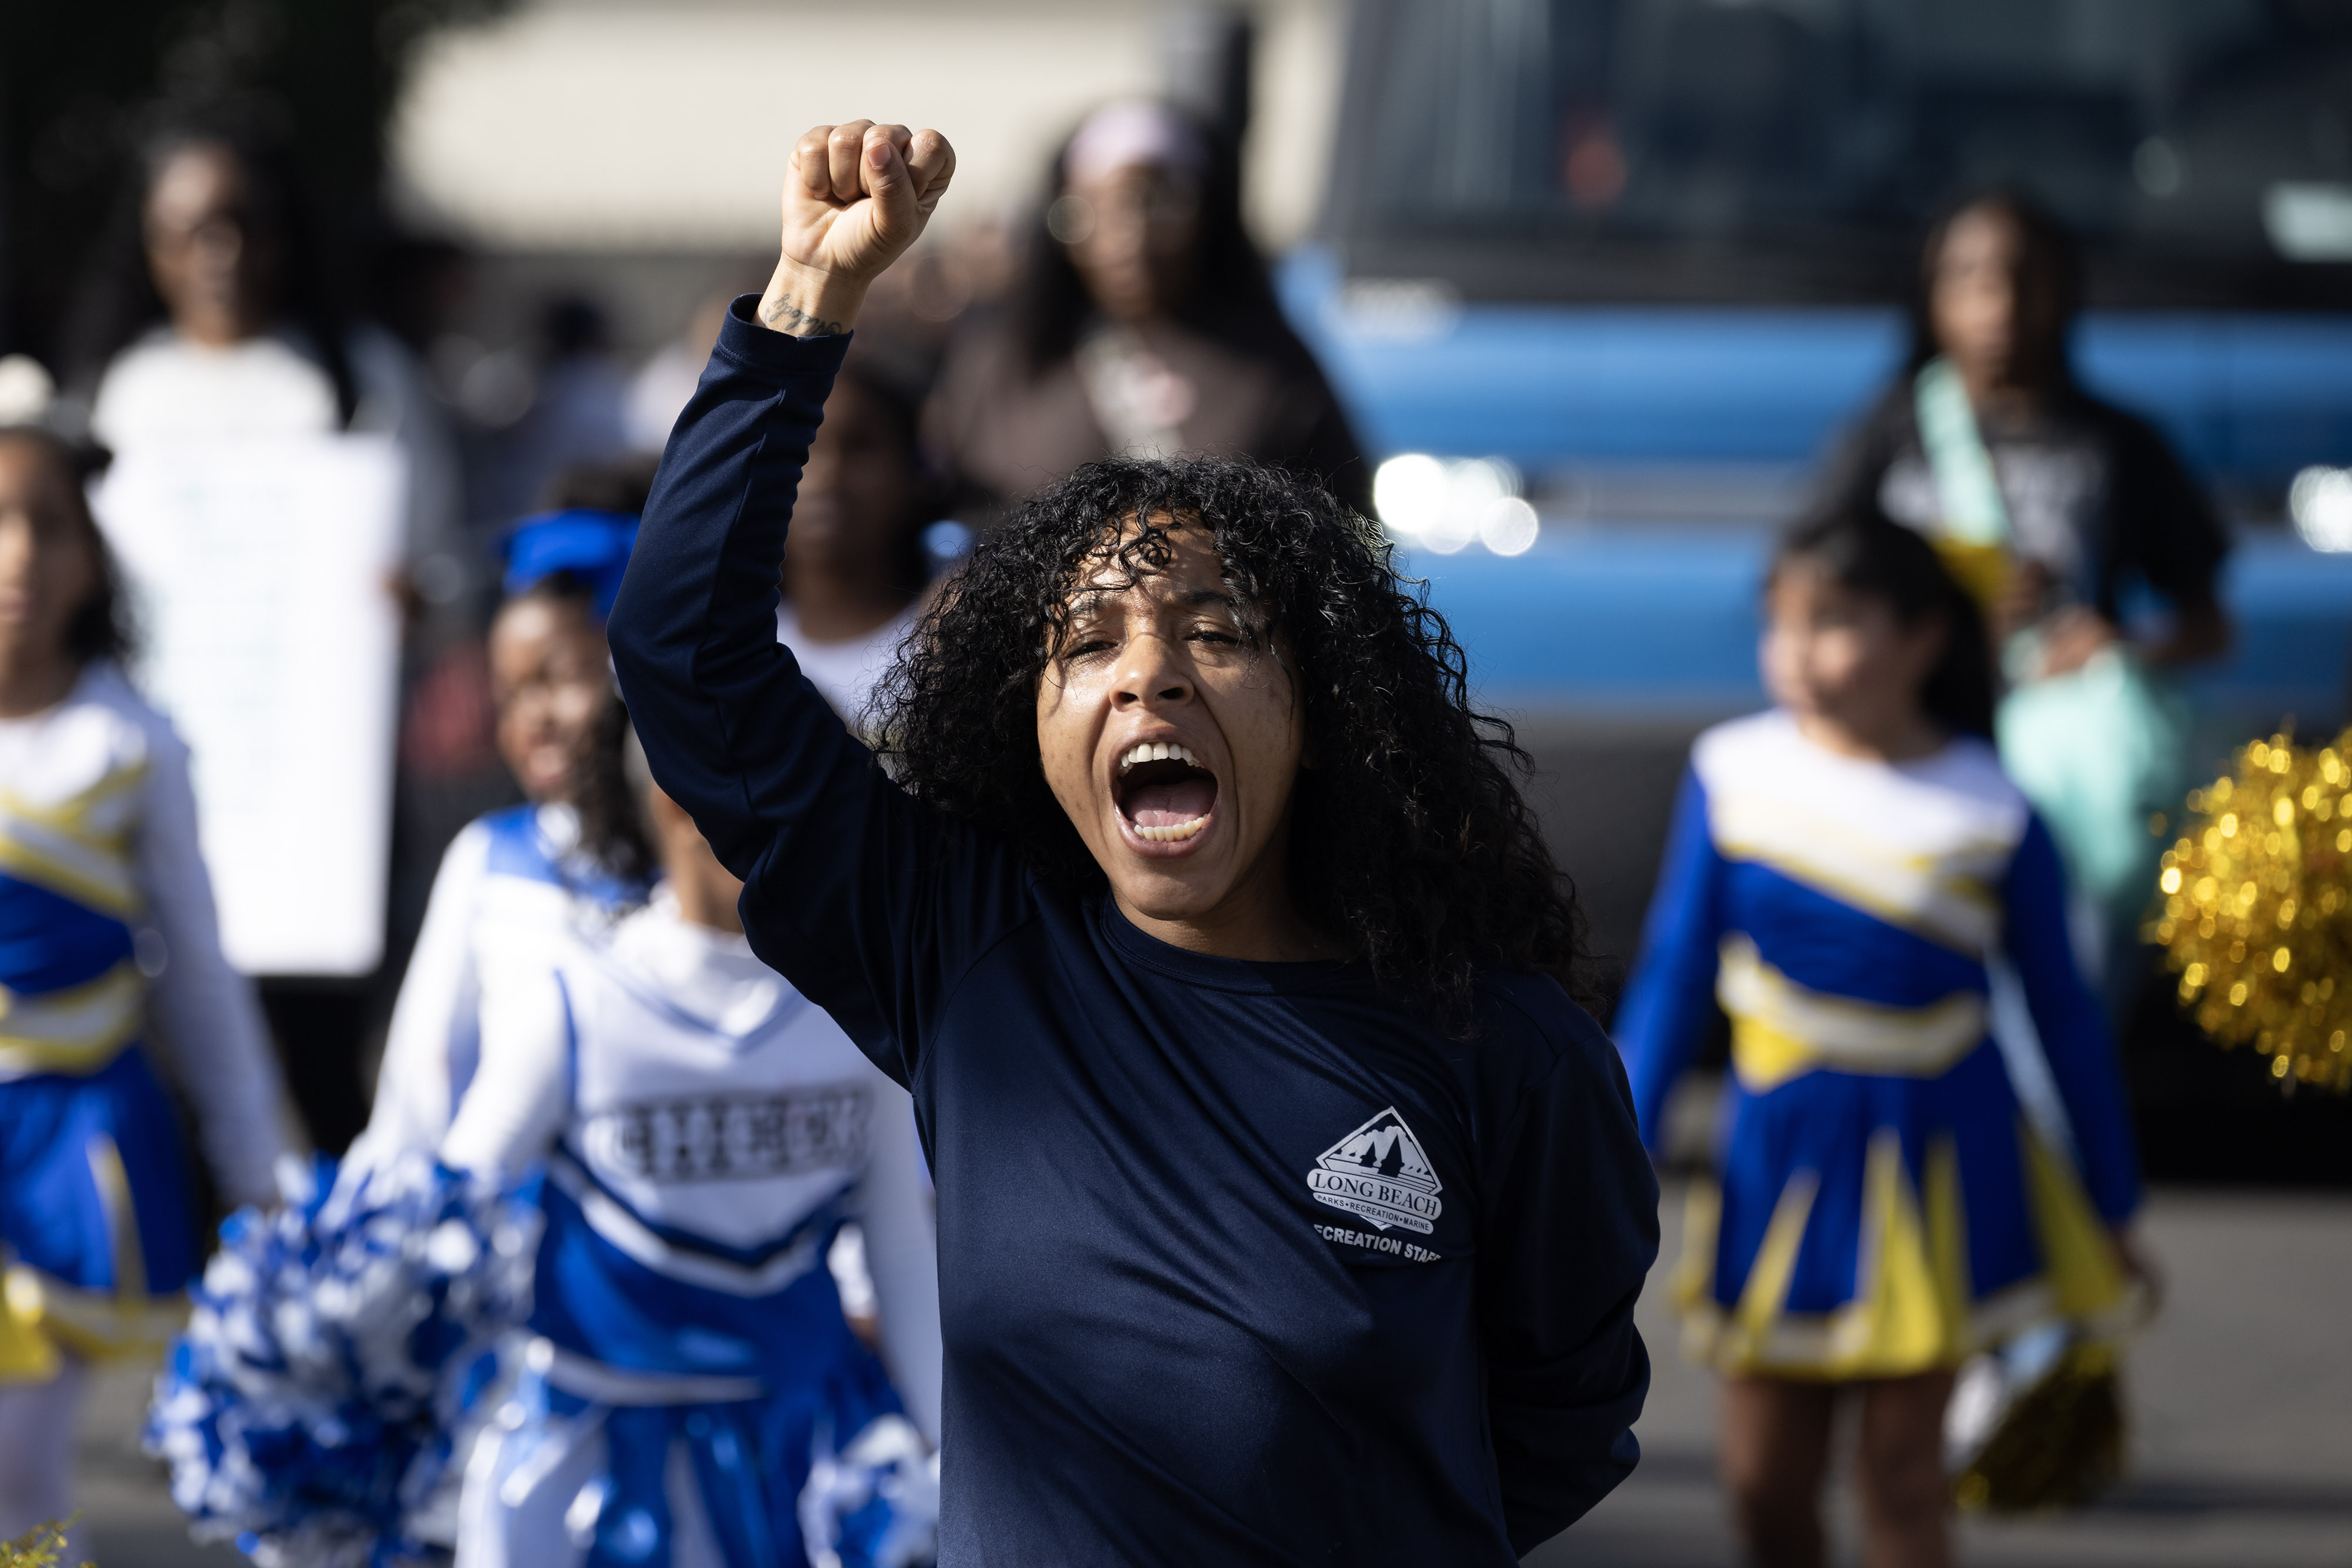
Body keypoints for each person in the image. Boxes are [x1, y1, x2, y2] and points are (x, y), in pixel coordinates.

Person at [610, 118, 1655, 1564]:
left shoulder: (1506, 1050)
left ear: (1322, 712)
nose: (1147, 676)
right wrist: (807, 301)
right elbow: (679, 649)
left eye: (1216, 632)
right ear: (1027, 725)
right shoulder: (961, 949)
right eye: (1088, 641)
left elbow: (1560, 1423)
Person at [1612, 506, 2149, 1568]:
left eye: (1834, 622)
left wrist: (2113, 1200)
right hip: (1778, 1155)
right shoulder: (1732, 772)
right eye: (1780, 624)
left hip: (1942, 1160)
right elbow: (1673, 979)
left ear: (1925, 637)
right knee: (1764, 1486)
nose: (1797, 654)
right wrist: (1615, 1152)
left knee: (1903, 1476)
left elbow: (2064, 1020)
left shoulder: (1994, 808)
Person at [69, 120, 467, 1152]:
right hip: (151, 795)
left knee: (321, 1070)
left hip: (321, 815)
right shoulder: (119, 394)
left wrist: (413, 600)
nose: (222, 254)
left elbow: (446, 568)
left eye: (246, 224)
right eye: (190, 230)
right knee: (175, 1071)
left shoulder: (356, 378)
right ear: (148, 245)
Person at [446, 741, 941, 1568]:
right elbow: (449, 1209)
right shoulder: (577, 995)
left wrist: (948, 1450)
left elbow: (900, 1249)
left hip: (802, 1465)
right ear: (680, 801)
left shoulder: (858, 1004)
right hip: (595, 1470)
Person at [1814, 190, 2232, 1007]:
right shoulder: (1890, 432)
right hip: (1917, 773)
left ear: (2064, 293)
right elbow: (1805, 585)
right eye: (1968, 276)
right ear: (1931, 297)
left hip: (2063, 791)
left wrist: (2118, 644)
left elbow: (2212, 627)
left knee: (2058, 1005)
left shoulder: (2119, 445)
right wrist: (1944, 605)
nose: (1997, 303)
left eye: (2022, 277)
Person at [0, 425, 287, 1559]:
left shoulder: (130, 743)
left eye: (49, 525)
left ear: (93, 560)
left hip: (71, 1142)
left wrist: (260, 1175)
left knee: (18, 1474)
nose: (21, 554)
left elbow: (199, 975)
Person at [349, 504, 654, 1171]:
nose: (532, 719)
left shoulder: (698, 864)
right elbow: (418, 1093)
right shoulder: (489, 861)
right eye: (511, 696)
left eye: (558, 680)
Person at [926, 99, 1369, 519]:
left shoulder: (1269, 368)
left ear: (1209, 215)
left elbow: (1348, 524)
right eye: (1094, 209)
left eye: (1162, 205)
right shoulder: (1007, 362)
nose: (1131, 236)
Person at [776, 359, 943, 726]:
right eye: (803, 448)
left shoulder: (951, 641)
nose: (829, 474)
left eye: (860, 446)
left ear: (911, 474)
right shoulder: (732, 642)